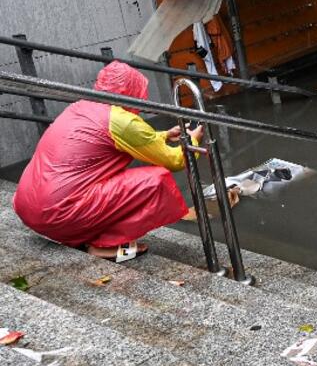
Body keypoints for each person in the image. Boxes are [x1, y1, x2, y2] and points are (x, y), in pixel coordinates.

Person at [13, 62, 209, 261]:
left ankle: (84, 232)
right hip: (57, 215)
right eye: (141, 93)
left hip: (27, 207)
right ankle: (103, 246)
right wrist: (192, 140)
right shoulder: (122, 120)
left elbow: (122, 138)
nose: (143, 99)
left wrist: (163, 135)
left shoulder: (79, 107)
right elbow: (175, 161)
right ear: (131, 92)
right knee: (156, 180)